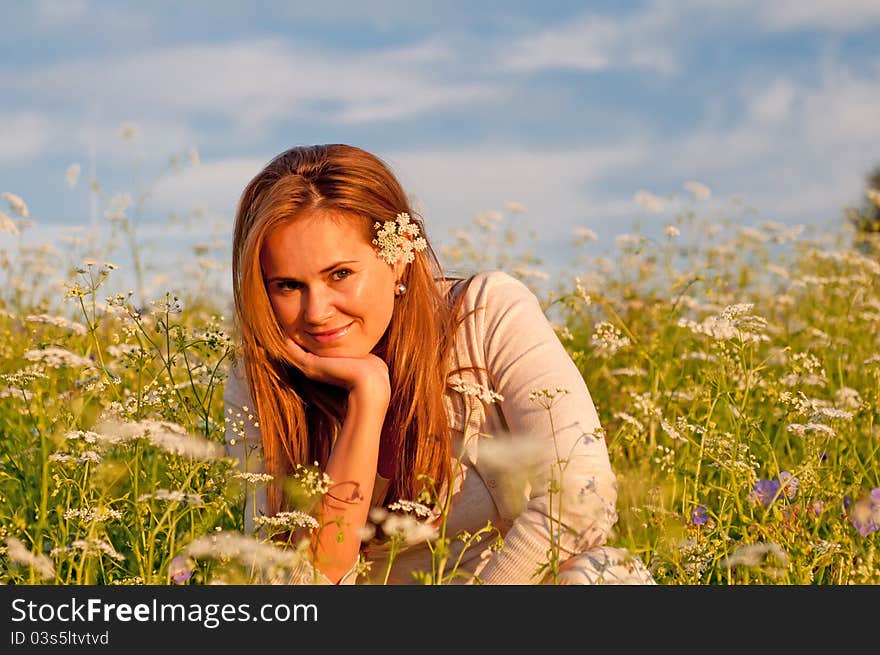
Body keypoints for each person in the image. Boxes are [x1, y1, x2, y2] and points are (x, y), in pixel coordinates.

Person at [223, 143, 655, 585]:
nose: (315, 311)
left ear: (399, 256)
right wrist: (367, 402)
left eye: (340, 275)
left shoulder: (487, 315)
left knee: (606, 575)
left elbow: (584, 497)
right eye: (288, 285)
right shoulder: (260, 379)